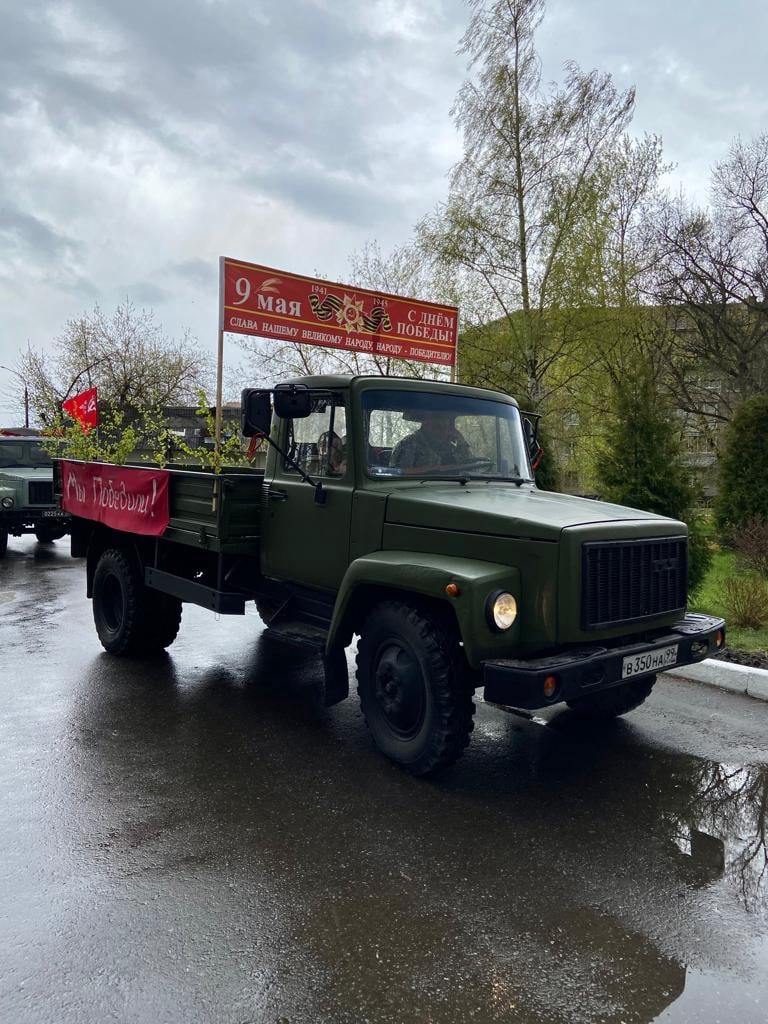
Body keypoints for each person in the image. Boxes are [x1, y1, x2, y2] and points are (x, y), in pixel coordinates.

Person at [390, 411, 471, 471]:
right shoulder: (409, 443)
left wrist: (461, 441)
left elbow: (470, 467)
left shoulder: (450, 446)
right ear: (425, 424)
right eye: (437, 426)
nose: (443, 430)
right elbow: (399, 474)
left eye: (445, 426)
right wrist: (437, 470)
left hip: (453, 486)